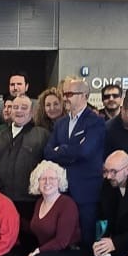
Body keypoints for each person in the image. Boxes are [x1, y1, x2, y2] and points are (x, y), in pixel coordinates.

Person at [43, 75, 108, 235]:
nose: (65, 98)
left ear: (84, 96)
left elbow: (85, 151)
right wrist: (70, 150)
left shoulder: (96, 122)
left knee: (87, 237)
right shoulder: (61, 123)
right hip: (63, 191)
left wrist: (62, 150)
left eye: (69, 94)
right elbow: (48, 152)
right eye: (64, 94)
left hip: (86, 192)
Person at [0, 94, 48, 208]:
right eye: (15, 107)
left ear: (31, 112)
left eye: (24, 108)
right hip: (1, 198)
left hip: (29, 201)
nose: (19, 111)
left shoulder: (42, 135)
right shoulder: (0, 135)